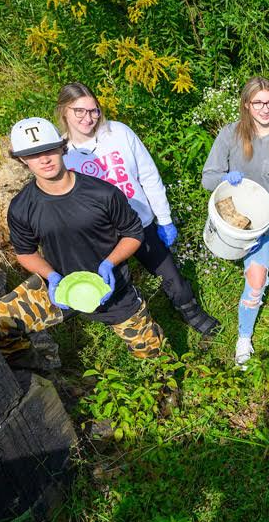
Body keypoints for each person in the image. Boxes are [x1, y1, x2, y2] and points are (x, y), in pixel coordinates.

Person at [0, 117, 166, 362]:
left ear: (61, 147)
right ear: (22, 159)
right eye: (34, 155)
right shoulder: (22, 207)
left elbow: (133, 233)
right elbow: (25, 252)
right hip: (59, 288)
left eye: (48, 150)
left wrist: (110, 263)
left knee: (153, 354)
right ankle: (37, 371)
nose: (44, 159)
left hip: (111, 289)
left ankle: (165, 392)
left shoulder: (102, 193)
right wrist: (52, 277)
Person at [56, 82, 219, 336]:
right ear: (64, 111)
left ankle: (190, 311)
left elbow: (148, 175)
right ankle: (131, 328)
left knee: (171, 274)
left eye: (94, 110)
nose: (88, 118)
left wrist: (164, 218)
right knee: (111, 288)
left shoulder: (118, 133)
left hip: (138, 224)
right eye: (79, 111)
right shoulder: (63, 155)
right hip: (102, 236)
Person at [202, 76, 269, 367]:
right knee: (256, 279)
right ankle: (244, 337)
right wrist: (225, 178)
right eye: (258, 102)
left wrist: (267, 222)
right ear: (247, 105)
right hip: (247, 216)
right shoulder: (230, 135)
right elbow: (208, 178)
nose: (265, 109)